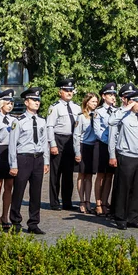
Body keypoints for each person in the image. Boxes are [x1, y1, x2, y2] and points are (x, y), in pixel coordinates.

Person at [109, 90, 138, 230]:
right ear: (131, 102)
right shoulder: (123, 116)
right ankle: (120, 217)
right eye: (137, 102)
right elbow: (111, 121)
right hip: (127, 156)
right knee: (123, 188)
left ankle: (133, 217)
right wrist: (126, 107)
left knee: (136, 189)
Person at [9, 87, 50, 234]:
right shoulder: (18, 121)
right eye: (34, 100)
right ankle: (15, 222)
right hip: (23, 158)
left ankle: (33, 223)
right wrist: (13, 164)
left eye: (38, 100)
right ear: (26, 102)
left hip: (37, 158)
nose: (37, 103)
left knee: (36, 192)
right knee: (18, 191)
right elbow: (12, 144)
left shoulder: (41, 121)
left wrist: (46, 161)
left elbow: (45, 142)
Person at [46, 78, 81, 211]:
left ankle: (67, 202)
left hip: (72, 140)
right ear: (60, 92)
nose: (69, 93)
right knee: (56, 172)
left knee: (68, 173)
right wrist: (53, 144)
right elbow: (49, 126)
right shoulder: (55, 107)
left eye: (71, 90)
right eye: (66, 90)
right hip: (59, 139)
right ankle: (54, 202)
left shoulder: (76, 107)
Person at [0, 89, 16, 230]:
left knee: (9, 185)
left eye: (11, 103)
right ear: (1, 105)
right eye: (7, 103)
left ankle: (6, 214)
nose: (10, 106)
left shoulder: (14, 119)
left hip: (10, 152)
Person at [93, 82, 118, 216]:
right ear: (103, 96)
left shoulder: (117, 111)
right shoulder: (99, 111)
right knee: (101, 175)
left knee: (110, 176)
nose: (113, 97)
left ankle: (104, 201)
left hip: (113, 147)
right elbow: (98, 131)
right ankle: (98, 203)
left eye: (114, 94)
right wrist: (110, 141)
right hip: (103, 145)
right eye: (110, 94)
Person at [73, 93, 99, 214]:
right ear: (87, 102)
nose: (95, 104)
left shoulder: (97, 115)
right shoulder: (81, 116)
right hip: (83, 146)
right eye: (93, 101)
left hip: (93, 147)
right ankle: (82, 201)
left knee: (89, 176)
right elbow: (76, 135)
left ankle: (88, 201)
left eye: (96, 102)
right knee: (81, 175)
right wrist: (77, 152)